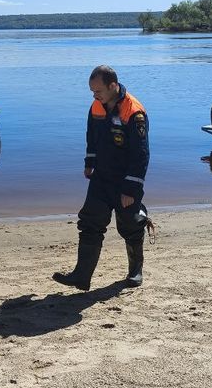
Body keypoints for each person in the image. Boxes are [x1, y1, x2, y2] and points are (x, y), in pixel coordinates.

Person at [53, 65, 150, 291]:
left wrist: (131, 189)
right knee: (90, 222)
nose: (95, 95)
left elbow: (141, 154)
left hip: (125, 180)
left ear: (113, 86)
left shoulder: (133, 112)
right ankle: (81, 276)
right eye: (92, 91)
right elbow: (92, 137)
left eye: (98, 91)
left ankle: (135, 271)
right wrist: (89, 163)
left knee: (130, 225)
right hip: (101, 177)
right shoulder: (97, 106)